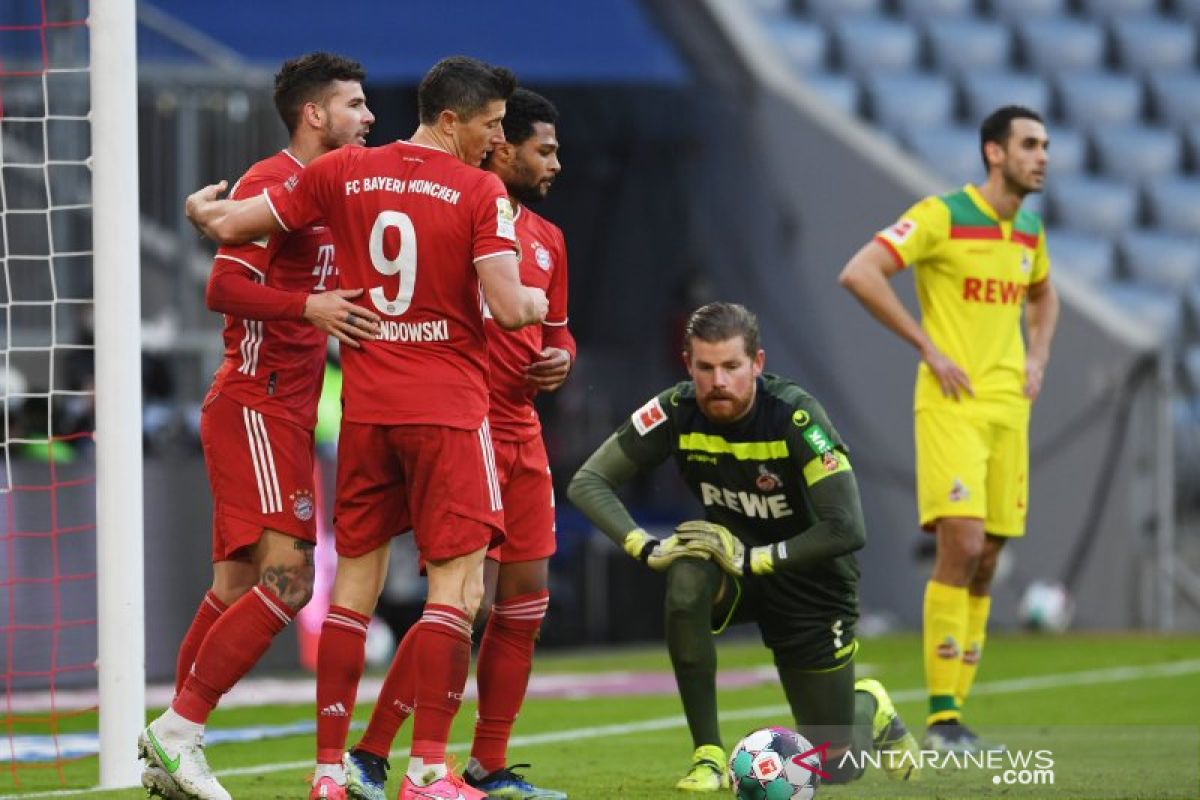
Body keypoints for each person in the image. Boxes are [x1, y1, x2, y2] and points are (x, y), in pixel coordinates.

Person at [181, 55, 548, 800]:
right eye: (491, 126)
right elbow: (510, 311)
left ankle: (324, 770)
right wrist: (541, 300)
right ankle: (426, 771)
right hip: (439, 407)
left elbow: (226, 225)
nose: (497, 142)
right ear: (452, 120)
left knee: (338, 590)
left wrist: (201, 213)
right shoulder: (479, 191)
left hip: (365, 411)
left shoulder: (341, 176)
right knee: (455, 590)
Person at [138, 52, 378, 800]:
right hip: (256, 401)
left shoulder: (325, 188)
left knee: (234, 586)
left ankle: (169, 751)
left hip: (281, 409)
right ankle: (177, 733)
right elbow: (222, 286)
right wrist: (310, 308)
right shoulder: (275, 184)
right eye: (356, 104)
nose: (368, 116)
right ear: (315, 114)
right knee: (289, 580)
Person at [566, 302, 920, 792]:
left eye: (731, 367)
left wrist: (756, 558)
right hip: (733, 574)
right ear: (688, 364)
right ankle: (708, 756)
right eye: (705, 368)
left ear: (757, 363)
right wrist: (645, 547)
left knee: (839, 767)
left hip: (810, 583)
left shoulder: (796, 418)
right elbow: (588, 481)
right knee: (687, 576)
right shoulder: (675, 410)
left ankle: (870, 705)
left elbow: (847, 529)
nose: (718, 382)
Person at [343, 88, 573, 800]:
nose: (555, 163)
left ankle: (487, 763)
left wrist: (562, 358)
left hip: (522, 433)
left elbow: (557, 331)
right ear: (499, 146)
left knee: (525, 597)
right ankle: (374, 753)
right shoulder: (450, 210)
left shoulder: (547, 239)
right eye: (543, 148)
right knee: (460, 596)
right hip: (459, 421)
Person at [837, 105, 1060, 752]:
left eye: (1045, 145)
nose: (1042, 156)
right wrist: (927, 346)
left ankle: (955, 715)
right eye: (1029, 144)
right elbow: (861, 272)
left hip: (1007, 413)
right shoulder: (942, 215)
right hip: (952, 406)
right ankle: (939, 720)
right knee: (961, 545)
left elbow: (1044, 296)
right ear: (994, 152)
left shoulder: (1030, 233)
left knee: (988, 560)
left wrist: (1039, 355)